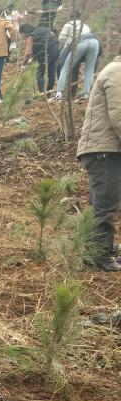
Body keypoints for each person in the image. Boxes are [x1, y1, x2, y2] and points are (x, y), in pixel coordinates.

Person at [76, 51, 121, 271]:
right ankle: (99, 255)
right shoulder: (117, 72)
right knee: (105, 204)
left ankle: (101, 247)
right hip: (104, 150)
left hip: (105, 149)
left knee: (101, 202)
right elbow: (119, 117)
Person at [54, 14, 100, 100]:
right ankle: (86, 94)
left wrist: (61, 49)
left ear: (70, 17)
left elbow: (61, 39)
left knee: (65, 69)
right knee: (89, 70)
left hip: (80, 43)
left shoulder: (68, 24)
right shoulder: (84, 25)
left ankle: (59, 94)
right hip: (94, 42)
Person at [20, 22, 60, 94]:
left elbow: (28, 53)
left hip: (46, 54)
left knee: (39, 74)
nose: (23, 37)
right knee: (51, 74)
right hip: (56, 50)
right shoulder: (43, 29)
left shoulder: (30, 36)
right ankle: (48, 93)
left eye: (22, 34)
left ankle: (43, 94)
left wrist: (23, 65)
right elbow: (54, 37)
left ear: (24, 31)